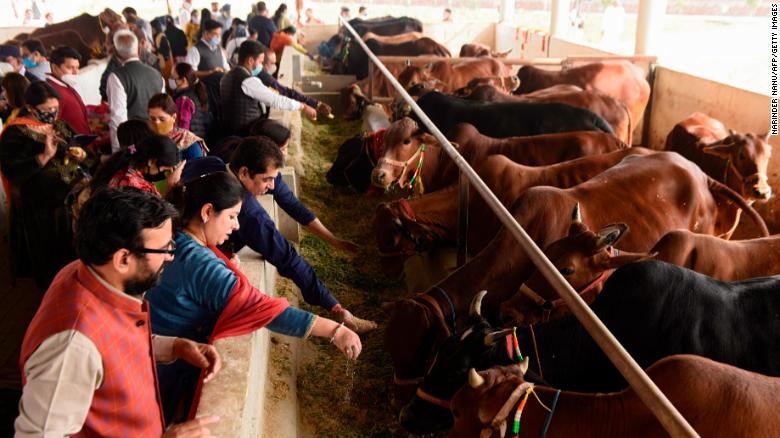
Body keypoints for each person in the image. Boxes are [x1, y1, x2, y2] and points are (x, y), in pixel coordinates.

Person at [147, 156, 364, 422]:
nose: (236, 225)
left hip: (154, 350)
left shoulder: (177, 237)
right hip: (164, 372)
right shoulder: (201, 264)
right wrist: (334, 330)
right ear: (206, 212)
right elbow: (263, 310)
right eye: (231, 216)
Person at [15, 187, 221, 437]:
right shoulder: (72, 347)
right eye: (165, 249)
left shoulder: (84, 271)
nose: (170, 258)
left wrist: (174, 346)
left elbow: (109, 345)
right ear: (123, 259)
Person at [222, 137, 375, 332]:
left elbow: (293, 205)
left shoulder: (217, 162)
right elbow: (286, 256)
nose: (273, 186)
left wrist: (333, 240)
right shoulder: (248, 213)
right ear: (244, 173)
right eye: (267, 180)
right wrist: (333, 305)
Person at [0, 81, 89, 288]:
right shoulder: (15, 134)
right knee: (51, 255)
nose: (52, 114)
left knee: (73, 250)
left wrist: (83, 155)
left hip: (70, 200)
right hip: (43, 208)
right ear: (31, 108)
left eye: (55, 109)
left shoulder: (58, 125)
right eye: (46, 110)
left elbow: (81, 148)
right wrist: (44, 156)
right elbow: (13, 172)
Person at [249, 119, 356, 252]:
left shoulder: (273, 179)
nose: (286, 154)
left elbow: (296, 208)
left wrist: (333, 240)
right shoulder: (229, 160)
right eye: (282, 149)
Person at [219, 40, 316, 136]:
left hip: (229, 131)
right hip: (245, 133)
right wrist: (303, 106)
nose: (261, 66)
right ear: (250, 61)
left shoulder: (226, 77)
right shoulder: (248, 81)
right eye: (260, 62)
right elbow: (276, 100)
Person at [107, 29, 165, 152]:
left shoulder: (117, 76)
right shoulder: (156, 74)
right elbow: (164, 108)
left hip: (134, 144)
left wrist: (118, 152)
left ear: (116, 52)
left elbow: (118, 117)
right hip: (157, 137)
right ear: (138, 48)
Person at [90, 133, 183, 196]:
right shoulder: (133, 185)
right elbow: (156, 217)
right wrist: (170, 188)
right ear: (151, 162)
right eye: (164, 170)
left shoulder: (126, 167)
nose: (164, 175)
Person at [258, 48, 332, 117]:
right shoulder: (262, 76)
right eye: (272, 63)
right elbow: (285, 93)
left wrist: (316, 104)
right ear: (261, 62)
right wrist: (311, 105)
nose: (274, 66)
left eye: (275, 63)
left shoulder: (261, 74)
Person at [45, 46, 90, 135]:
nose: (76, 72)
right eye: (70, 68)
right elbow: (51, 125)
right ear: (54, 68)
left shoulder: (66, 85)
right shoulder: (51, 91)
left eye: (77, 67)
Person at [148, 93, 207, 159]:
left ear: (173, 117)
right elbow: (134, 150)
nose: (157, 123)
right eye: (153, 119)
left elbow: (199, 167)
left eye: (162, 119)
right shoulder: (144, 136)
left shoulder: (189, 142)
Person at [171, 63, 214, 139]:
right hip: (201, 138)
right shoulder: (196, 90)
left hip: (191, 141)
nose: (171, 81)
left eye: (174, 78)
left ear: (183, 80)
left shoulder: (183, 100)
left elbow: (183, 131)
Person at [152, 18, 174, 83]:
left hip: (165, 62)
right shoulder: (159, 36)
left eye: (152, 28)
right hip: (164, 62)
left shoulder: (161, 36)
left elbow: (166, 49)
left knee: (167, 79)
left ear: (155, 28)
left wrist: (156, 50)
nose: (151, 30)